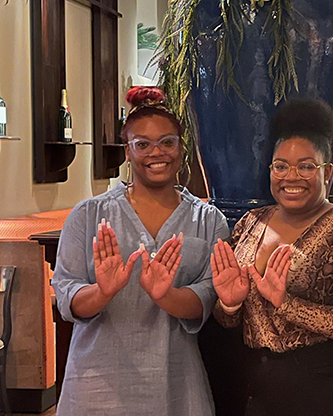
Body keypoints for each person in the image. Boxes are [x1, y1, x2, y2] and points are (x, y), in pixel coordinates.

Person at [51, 86, 228, 415]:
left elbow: (208, 297)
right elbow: (67, 294)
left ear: (181, 147)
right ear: (127, 151)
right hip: (98, 384)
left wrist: (165, 296)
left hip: (177, 383)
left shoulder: (208, 220)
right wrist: (103, 292)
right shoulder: (88, 215)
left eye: (167, 142)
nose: (156, 153)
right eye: (143, 144)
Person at [210, 98, 333, 416]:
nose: (291, 176)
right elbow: (230, 320)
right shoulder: (251, 222)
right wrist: (230, 305)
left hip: (325, 390)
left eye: (306, 166)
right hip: (256, 386)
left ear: (327, 171)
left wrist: (286, 304)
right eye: (281, 166)